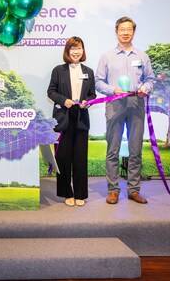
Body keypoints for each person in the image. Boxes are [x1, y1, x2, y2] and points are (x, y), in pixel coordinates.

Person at [95, 16, 154, 205]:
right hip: (115, 107)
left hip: (136, 106)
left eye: (129, 29)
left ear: (134, 32)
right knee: (113, 150)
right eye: (122, 29)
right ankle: (113, 190)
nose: (126, 32)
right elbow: (98, 82)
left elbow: (150, 79)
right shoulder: (107, 56)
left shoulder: (142, 56)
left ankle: (134, 190)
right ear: (116, 31)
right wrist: (113, 90)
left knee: (135, 150)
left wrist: (146, 88)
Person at [47, 36, 96, 207]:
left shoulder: (88, 71)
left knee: (80, 158)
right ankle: (67, 193)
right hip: (63, 118)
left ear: (83, 50)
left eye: (79, 48)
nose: (76, 51)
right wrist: (63, 100)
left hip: (81, 118)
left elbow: (92, 95)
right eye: (73, 48)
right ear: (67, 51)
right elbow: (51, 91)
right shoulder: (58, 70)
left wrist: (87, 101)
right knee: (63, 157)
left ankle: (80, 194)